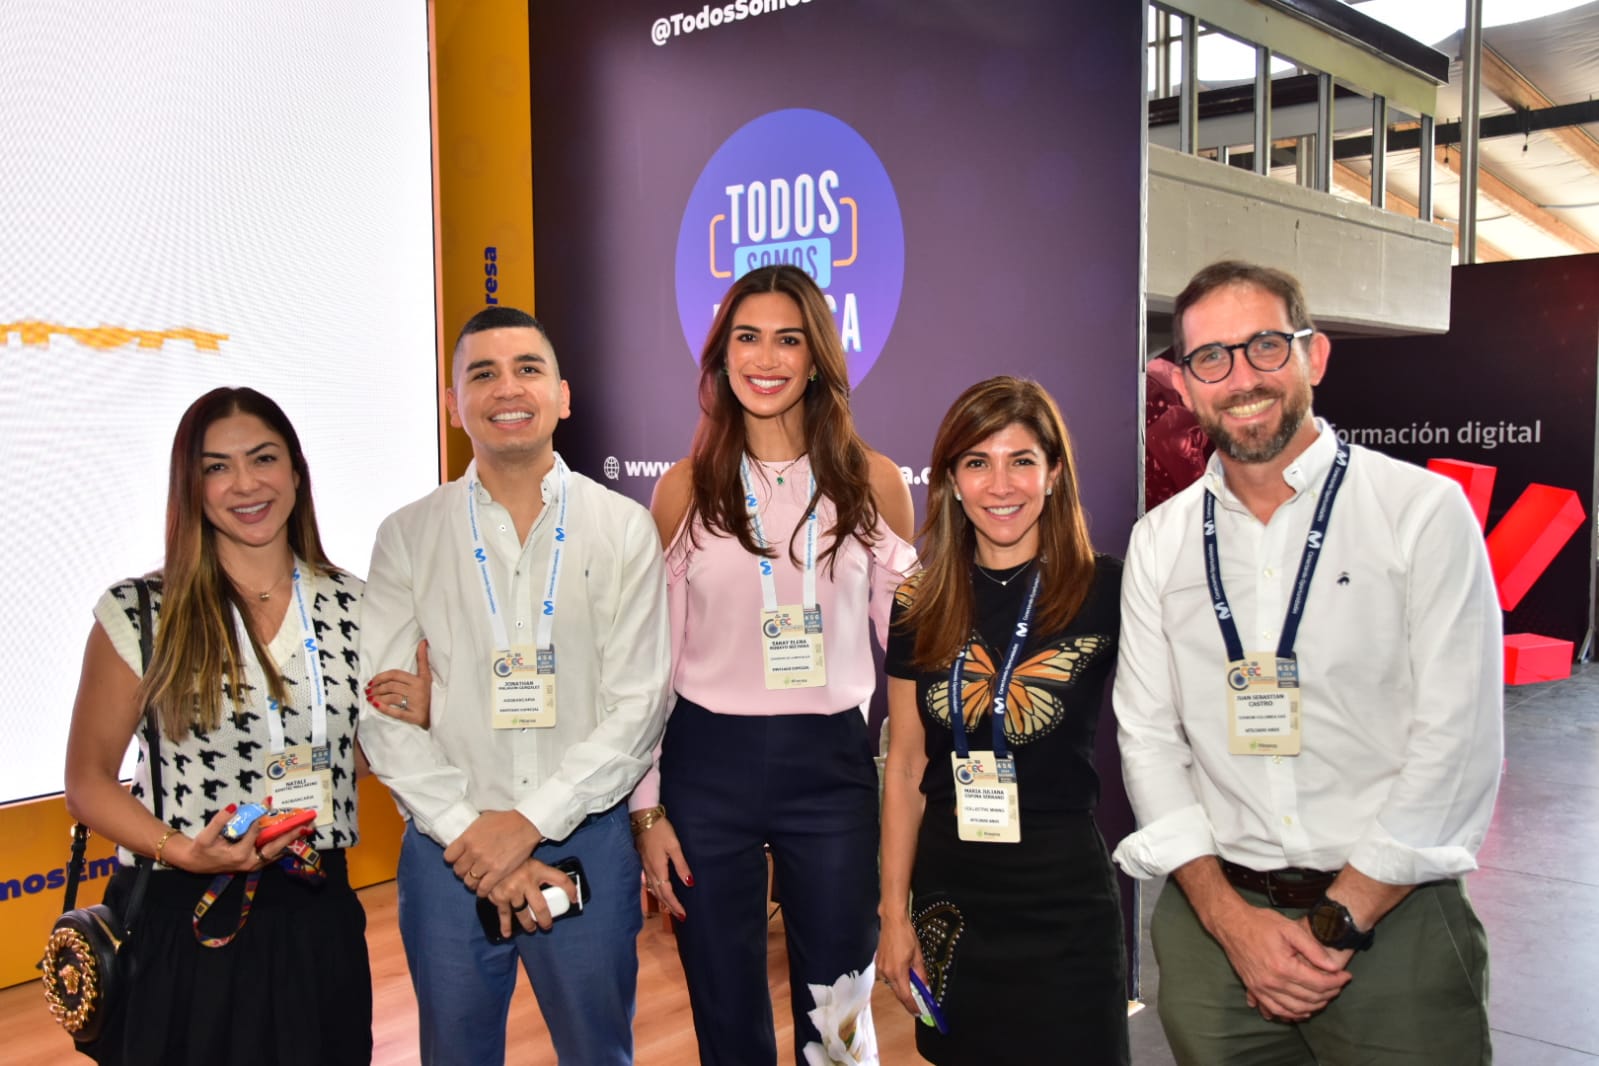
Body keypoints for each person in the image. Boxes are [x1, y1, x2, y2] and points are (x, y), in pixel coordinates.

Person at [1113, 260, 1503, 1064]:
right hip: (1214, 927)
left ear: (1313, 356)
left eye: (1263, 346)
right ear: (1184, 385)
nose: (1241, 378)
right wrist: (1231, 924)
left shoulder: (1419, 513)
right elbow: (1147, 739)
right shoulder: (1161, 540)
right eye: (1210, 359)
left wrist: (1337, 921)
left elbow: (1455, 741)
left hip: (1394, 924)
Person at [63, 386, 429, 1066]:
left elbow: (358, 759)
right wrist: (184, 851)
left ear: (296, 470)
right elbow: (86, 782)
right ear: (191, 486)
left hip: (317, 914)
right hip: (181, 916)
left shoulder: (361, 606)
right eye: (216, 467)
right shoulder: (143, 613)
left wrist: (419, 713)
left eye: (262, 458)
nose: (245, 484)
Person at [357, 306, 672, 1066]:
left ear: (563, 395)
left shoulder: (623, 527)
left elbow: (640, 707)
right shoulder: (407, 534)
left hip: (584, 843)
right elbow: (382, 715)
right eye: (482, 372)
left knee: (599, 1054)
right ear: (452, 401)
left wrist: (528, 820)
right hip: (444, 853)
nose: (508, 388)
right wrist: (474, 833)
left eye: (527, 369)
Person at [630, 264, 915, 1066]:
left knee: (840, 1010)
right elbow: (654, 662)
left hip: (830, 767)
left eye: (788, 339)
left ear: (818, 357)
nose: (766, 357)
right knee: (722, 1003)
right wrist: (647, 809)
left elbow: (913, 647)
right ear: (721, 358)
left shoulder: (872, 481)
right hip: (704, 767)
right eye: (746, 338)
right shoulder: (684, 489)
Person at [875, 376, 1129, 1065]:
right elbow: (903, 766)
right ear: (951, 481)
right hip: (952, 900)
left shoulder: (1105, 588)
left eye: (1021, 460)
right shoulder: (918, 600)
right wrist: (892, 915)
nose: (1000, 484)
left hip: (1065, 903)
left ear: (1053, 475)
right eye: (976, 463)